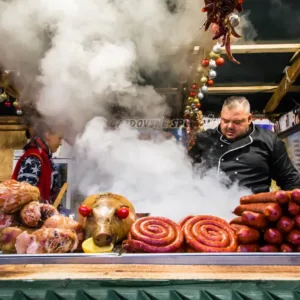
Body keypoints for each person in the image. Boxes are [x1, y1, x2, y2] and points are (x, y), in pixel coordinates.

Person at [188, 96, 300, 193]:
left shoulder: (269, 141)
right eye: (225, 121)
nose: (230, 126)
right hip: (211, 211)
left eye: (237, 122)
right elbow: (185, 171)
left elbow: (290, 180)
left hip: (255, 213)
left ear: (249, 119)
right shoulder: (205, 139)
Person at [11, 120, 63, 204]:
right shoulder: (33, 159)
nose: (60, 143)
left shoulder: (45, 158)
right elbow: (24, 198)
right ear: (48, 135)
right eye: (59, 138)